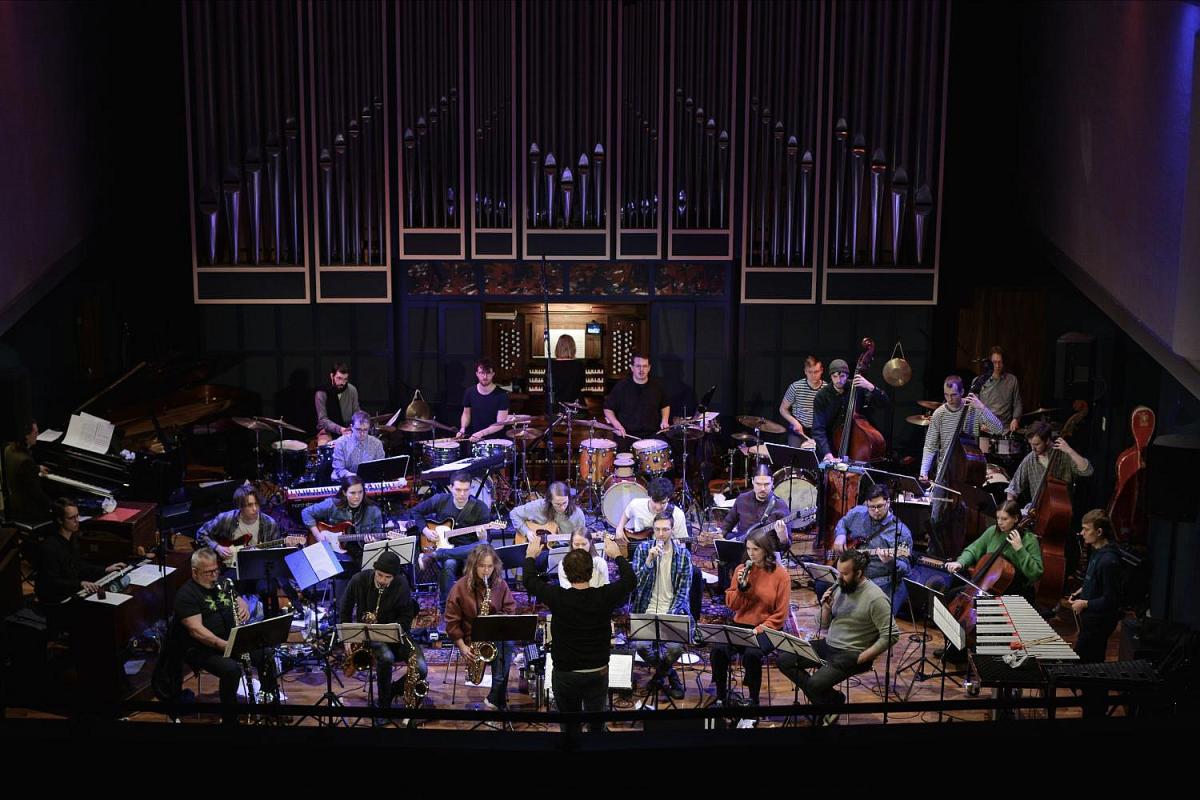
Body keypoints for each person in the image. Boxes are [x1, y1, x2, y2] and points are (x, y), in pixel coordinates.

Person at [778, 549, 899, 726]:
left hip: (853, 652)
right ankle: (832, 701)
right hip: (830, 644)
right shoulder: (841, 587)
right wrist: (826, 608)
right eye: (838, 572)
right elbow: (822, 624)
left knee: (814, 684)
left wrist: (865, 656)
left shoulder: (876, 598)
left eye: (844, 574)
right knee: (784, 660)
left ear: (859, 573)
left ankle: (826, 705)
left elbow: (891, 634)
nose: (839, 578)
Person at [523, 533, 635, 723]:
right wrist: (617, 555)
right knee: (596, 724)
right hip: (597, 671)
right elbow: (630, 580)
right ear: (591, 573)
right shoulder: (605, 595)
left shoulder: (556, 596)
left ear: (565, 572)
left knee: (569, 725)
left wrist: (530, 556)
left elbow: (529, 580)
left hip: (565, 673)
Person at [175, 547, 278, 722]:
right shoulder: (187, 594)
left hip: (232, 641)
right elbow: (196, 630)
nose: (214, 575)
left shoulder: (222, 583)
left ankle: (270, 704)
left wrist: (244, 607)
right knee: (231, 669)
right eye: (209, 572)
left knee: (266, 654)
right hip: (204, 649)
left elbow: (237, 599)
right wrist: (224, 645)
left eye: (216, 570)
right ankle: (230, 718)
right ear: (195, 572)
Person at [339, 550, 427, 721]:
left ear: (394, 577)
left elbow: (406, 617)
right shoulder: (359, 580)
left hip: (397, 634)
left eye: (388, 577)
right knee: (386, 657)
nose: (382, 580)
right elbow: (345, 608)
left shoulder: (401, 584)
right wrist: (348, 636)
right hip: (370, 635)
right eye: (379, 575)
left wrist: (394, 629)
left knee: (421, 668)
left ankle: (392, 690)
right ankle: (383, 706)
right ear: (374, 570)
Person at [710, 529, 790, 711]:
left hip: (767, 628)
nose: (751, 554)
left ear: (766, 550)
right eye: (748, 549)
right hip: (741, 624)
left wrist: (760, 628)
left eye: (756, 549)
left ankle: (753, 699)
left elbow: (780, 614)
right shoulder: (741, 569)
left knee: (751, 655)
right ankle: (721, 696)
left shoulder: (781, 575)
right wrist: (741, 588)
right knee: (718, 650)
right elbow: (732, 605)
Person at [196, 484, 303, 615]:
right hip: (232, 567)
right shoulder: (226, 519)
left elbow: (276, 555)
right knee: (225, 585)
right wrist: (217, 547)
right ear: (240, 506)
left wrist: (285, 545)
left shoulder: (269, 523)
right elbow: (201, 534)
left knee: (268, 587)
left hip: (259, 568)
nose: (255, 509)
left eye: (256, 504)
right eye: (249, 505)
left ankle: (271, 619)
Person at [406, 470, 502, 612]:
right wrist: (426, 531)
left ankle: (435, 556)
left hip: (468, 551)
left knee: (484, 545)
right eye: (458, 490)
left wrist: (481, 536)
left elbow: (483, 541)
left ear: (471, 488)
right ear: (451, 488)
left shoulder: (480, 508)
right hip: (443, 547)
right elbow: (415, 511)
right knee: (449, 563)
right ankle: (446, 609)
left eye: (466, 490)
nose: (462, 494)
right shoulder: (440, 500)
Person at [613, 476, 702, 618]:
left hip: (667, 553)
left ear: (668, 499)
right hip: (640, 552)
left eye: (663, 503)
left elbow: (683, 544)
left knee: (695, 574)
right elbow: (626, 515)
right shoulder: (636, 504)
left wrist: (677, 547)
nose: (658, 507)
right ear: (649, 496)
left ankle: (691, 618)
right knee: (626, 573)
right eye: (655, 502)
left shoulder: (677, 514)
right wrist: (619, 528)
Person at [821, 483, 914, 614]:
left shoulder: (901, 532)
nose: (876, 511)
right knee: (822, 587)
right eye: (871, 507)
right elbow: (843, 522)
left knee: (861, 612)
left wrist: (890, 561)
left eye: (880, 506)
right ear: (866, 504)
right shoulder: (858, 513)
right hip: (851, 573)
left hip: (878, 580)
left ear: (888, 502)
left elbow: (906, 569)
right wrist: (840, 535)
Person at [445, 544, 516, 710]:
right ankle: (498, 701)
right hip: (470, 638)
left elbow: (510, 609)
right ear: (473, 565)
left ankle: (495, 695)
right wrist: (462, 646)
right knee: (504, 646)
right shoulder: (460, 587)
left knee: (506, 643)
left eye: (490, 566)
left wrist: (495, 619)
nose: (486, 571)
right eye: (482, 566)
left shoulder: (500, 584)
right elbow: (451, 621)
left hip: (495, 634)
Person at [631, 513, 692, 700]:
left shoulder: (683, 555)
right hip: (646, 609)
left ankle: (658, 677)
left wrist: (668, 616)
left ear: (672, 530)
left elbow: (683, 593)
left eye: (665, 529)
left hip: (673, 610)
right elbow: (636, 585)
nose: (660, 533)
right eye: (657, 529)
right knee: (641, 646)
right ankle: (670, 676)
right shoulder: (642, 550)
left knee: (675, 649)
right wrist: (649, 562)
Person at [945, 499, 1044, 598]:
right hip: (985, 587)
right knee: (950, 594)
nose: (1000, 522)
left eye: (1004, 519)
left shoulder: (1029, 540)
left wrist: (1020, 549)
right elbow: (973, 549)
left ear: (1016, 518)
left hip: (1013, 594)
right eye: (998, 518)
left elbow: (1036, 573)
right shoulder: (993, 531)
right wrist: (960, 562)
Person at [36, 498, 125, 607]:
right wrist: (80, 584)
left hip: (71, 590)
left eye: (77, 516)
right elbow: (52, 582)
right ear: (60, 520)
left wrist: (105, 569)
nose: (76, 521)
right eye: (71, 518)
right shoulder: (49, 547)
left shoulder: (72, 538)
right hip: (57, 600)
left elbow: (79, 565)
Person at [716, 465, 792, 589]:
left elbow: (785, 546)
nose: (762, 488)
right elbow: (728, 523)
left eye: (766, 484)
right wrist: (720, 535)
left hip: (766, 553)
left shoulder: (780, 506)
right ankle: (726, 592)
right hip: (743, 548)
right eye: (758, 484)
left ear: (772, 482)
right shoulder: (742, 499)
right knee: (723, 551)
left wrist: (783, 536)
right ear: (752, 481)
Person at [918, 375, 1003, 485]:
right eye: (946, 395)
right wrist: (923, 472)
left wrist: (982, 407)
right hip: (944, 472)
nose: (949, 399)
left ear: (962, 392)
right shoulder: (939, 414)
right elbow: (930, 445)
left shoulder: (973, 409)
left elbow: (998, 429)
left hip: (969, 471)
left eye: (953, 395)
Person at [300, 474, 386, 574]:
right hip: (335, 551)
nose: (357, 496)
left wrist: (373, 542)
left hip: (360, 552)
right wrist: (317, 535)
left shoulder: (374, 510)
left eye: (360, 492)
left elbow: (377, 535)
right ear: (344, 492)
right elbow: (306, 512)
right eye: (352, 493)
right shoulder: (332, 504)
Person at [1069, 510, 1123, 663]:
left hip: (1100, 622)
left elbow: (1111, 600)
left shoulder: (1109, 561)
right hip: (1091, 620)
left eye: (1086, 529)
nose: (1082, 533)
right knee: (1085, 663)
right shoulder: (1097, 552)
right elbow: (1095, 580)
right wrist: (1081, 591)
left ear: (1099, 532)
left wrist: (1084, 603)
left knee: (1087, 664)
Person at [810, 358, 889, 463]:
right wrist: (827, 453)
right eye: (835, 376)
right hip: (831, 448)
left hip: (857, 445)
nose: (838, 380)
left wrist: (870, 387)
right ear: (830, 376)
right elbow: (818, 429)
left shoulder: (857, 388)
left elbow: (884, 403)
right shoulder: (822, 396)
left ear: (847, 376)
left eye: (842, 376)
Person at [1006, 421, 1093, 506]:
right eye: (1030, 444)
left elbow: (1087, 471)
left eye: (1037, 444)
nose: (1033, 448)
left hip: (1063, 508)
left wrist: (1070, 451)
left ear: (1047, 440)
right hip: (1038, 510)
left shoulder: (1063, 454)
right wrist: (1010, 505)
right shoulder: (1030, 459)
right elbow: (1013, 487)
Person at [603, 352, 670, 441]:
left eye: (645, 366)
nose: (641, 369)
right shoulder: (621, 386)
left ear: (649, 368)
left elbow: (665, 405)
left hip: (652, 434)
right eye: (638, 366)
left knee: (665, 445)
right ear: (632, 368)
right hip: (627, 434)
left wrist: (665, 420)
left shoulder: (657, 386)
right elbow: (608, 409)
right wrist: (617, 425)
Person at [3, 419, 52, 518]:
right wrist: (54, 506)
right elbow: (37, 494)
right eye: (35, 432)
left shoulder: (8, 449)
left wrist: (36, 468)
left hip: (12, 503)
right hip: (27, 509)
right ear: (26, 436)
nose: (38, 435)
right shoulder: (26, 461)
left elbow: (20, 470)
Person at [458, 358, 510, 443]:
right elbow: (466, 414)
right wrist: (463, 428)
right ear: (477, 374)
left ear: (493, 374)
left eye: (488, 373)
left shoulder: (502, 395)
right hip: (475, 440)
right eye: (482, 373)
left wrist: (481, 433)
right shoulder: (469, 392)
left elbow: (500, 424)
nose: (485, 377)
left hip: (496, 441)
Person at [779, 356, 826, 447]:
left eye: (816, 372)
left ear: (821, 370)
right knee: (795, 454)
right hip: (798, 429)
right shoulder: (796, 387)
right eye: (810, 372)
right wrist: (795, 422)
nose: (813, 375)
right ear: (805, 371)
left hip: (818, 431)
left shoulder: (826, 389)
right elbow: (783, 409)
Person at [978, 346, 1023, 432]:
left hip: (1005, 429)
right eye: (994, 362)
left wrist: (1016, 419)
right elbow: (974, 406)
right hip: (986, 429)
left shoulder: (1012, 380)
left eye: (1000, 362)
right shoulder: (980, 381)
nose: (997, 366)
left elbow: (1017, 403)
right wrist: (980, 423)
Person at [331, 410, 386, 480]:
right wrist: (357, 478)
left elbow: (380, 468)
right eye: (358, 429)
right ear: (352, 427)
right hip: (344, 481)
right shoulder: (341, 443)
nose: (362, 433)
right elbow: (339, 470)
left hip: (368, 480)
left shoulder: (377, 444)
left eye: (365, 430)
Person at [315, 362, 361, 438]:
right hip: (327, 431)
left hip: (348, 429)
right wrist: (340, 429)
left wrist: (359, 422)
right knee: (324, 442)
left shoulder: (352, 390)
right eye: (339, 378)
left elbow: (356, 412)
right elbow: (322, 420)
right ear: (332, 376)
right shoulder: (322, 393)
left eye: (345, 379)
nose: (342, 383)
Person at [549, 334, 585, 407]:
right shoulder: (579, 365)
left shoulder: (550, 364)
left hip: (555, 406)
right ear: (573, 348)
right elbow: (582, 385)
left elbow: (547, 386)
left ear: (557, 348)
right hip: (574, 406)